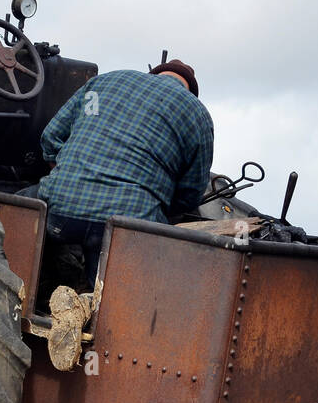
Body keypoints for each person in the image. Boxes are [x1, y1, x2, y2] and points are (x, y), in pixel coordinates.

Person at [32, 59, 213, 287]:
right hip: (128, 229)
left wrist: (69, 176)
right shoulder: (197, 113)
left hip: (59, 213)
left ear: (154, 73)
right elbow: (191, 193)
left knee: (10, 209)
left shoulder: (102, 83)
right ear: (190, 90)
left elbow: (51, 138)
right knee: (107, 294)